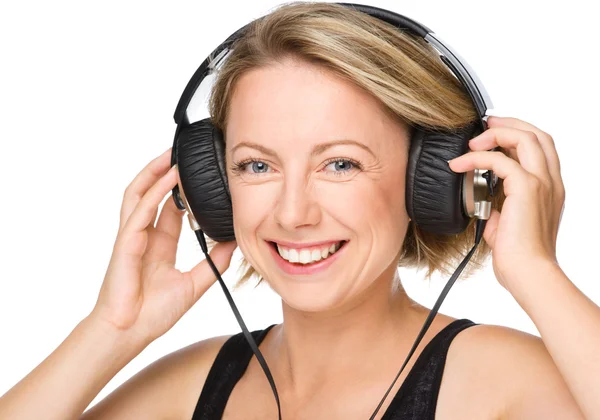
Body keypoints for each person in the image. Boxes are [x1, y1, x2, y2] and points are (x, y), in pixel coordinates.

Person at [0, 2, 596, 419]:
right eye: (257, 166)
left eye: (340, 164)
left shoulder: (502, 381)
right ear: (213, 187)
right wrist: (110, 332)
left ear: (436, 180)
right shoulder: (195, 388)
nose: (291, 213)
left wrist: (536, 272)